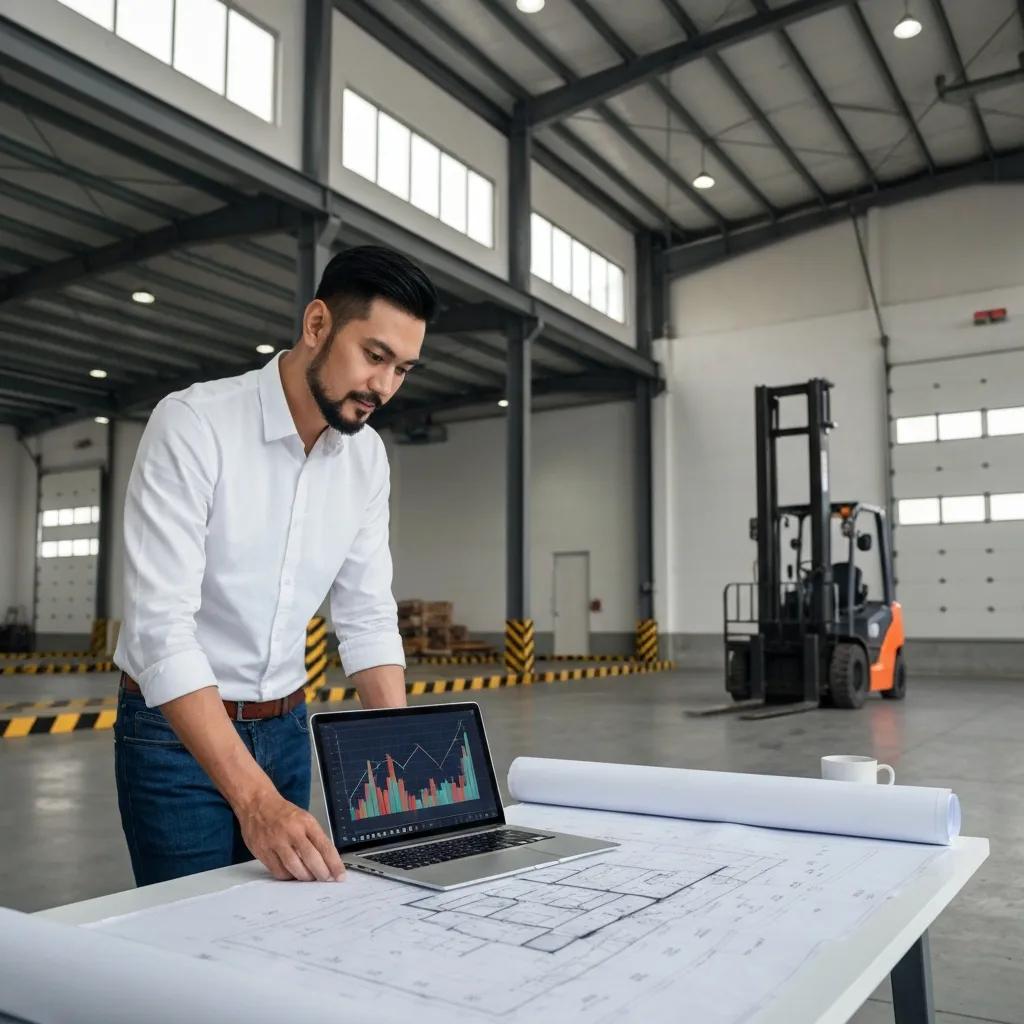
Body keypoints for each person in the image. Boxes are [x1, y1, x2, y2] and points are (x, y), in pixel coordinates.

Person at [113, 245, 437, 886]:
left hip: (289, 730)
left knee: (276, 940)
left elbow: (367, 616)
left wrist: (408, 767)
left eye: (402, 369)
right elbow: (159, 630)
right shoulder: (195, 424)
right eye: (374, 357)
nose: (384, 388)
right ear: (317, 325)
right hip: (177, 741)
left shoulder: (366, 458)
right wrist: (255, 801)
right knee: (192, 950)